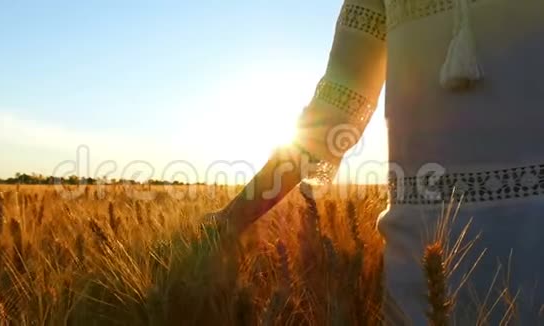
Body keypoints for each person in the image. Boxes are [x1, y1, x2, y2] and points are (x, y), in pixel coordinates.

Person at [205, 0, 544, 323]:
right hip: (421, 260)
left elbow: (332, 114)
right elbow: (333, 113)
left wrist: (232, 218)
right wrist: (233, 217)